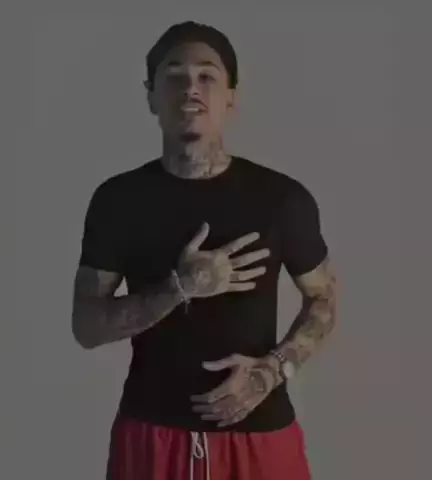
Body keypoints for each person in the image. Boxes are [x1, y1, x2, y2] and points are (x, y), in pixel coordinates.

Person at [72, 21, 337, 480]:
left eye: (207, 76)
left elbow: (324, 298)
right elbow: (87, 326)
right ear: (151, 96)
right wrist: (180, 287)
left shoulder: (281, 199)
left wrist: (271, 372)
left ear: (231, 96)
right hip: (152, 436)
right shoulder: (118, 201)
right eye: (174, 75)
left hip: (259, 436)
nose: (190, 88)